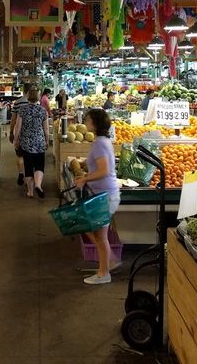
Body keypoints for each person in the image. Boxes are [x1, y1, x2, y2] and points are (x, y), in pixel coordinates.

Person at [74, 109, 120, 284]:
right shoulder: (102, 141)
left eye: (88, 120)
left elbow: (104, 170)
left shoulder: (100, 144)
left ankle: (104, 273)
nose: (85, 122)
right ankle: (108, 261)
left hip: (105, 196)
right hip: (104, 194)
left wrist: (85, 179)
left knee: (100, 237)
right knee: (92, 229)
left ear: (95, 123)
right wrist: (86, 170)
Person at [13, 88, 49, 198]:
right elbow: (46, 128)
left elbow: (18, 126)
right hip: (39, 142)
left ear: (28, 97)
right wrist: (47, 140)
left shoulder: (22, 110)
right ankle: (38, 185)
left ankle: (30, 191)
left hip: (26, 143)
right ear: (38, 98)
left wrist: (15, 139)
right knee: (39, 165)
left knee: (28, 167)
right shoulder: (42, 110)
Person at [9, 84, 32, 186]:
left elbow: (13, 119)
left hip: (19, 133)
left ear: (23, 90)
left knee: (20, 155)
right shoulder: (36, 103)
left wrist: (11, 132)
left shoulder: (17, 102)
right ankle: (29, 178)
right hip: (31, 134)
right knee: (30, 156)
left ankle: (21, 173)